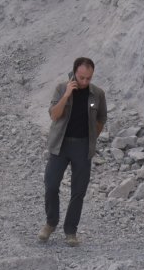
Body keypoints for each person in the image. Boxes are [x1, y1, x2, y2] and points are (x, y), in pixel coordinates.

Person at [41, 57, 108, 247]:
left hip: (82, 146)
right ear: (74, 73)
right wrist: (67, 95)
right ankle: (50, 222)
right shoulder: (62, 89)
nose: (85, 82)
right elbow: (54, 115)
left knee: (78, 191)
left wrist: (93, 136)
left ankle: (71, 230)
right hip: (60, 145)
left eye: (88, 78)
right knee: (51, 185)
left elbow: (102, 117)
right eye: (81, 77)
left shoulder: (97, 94)